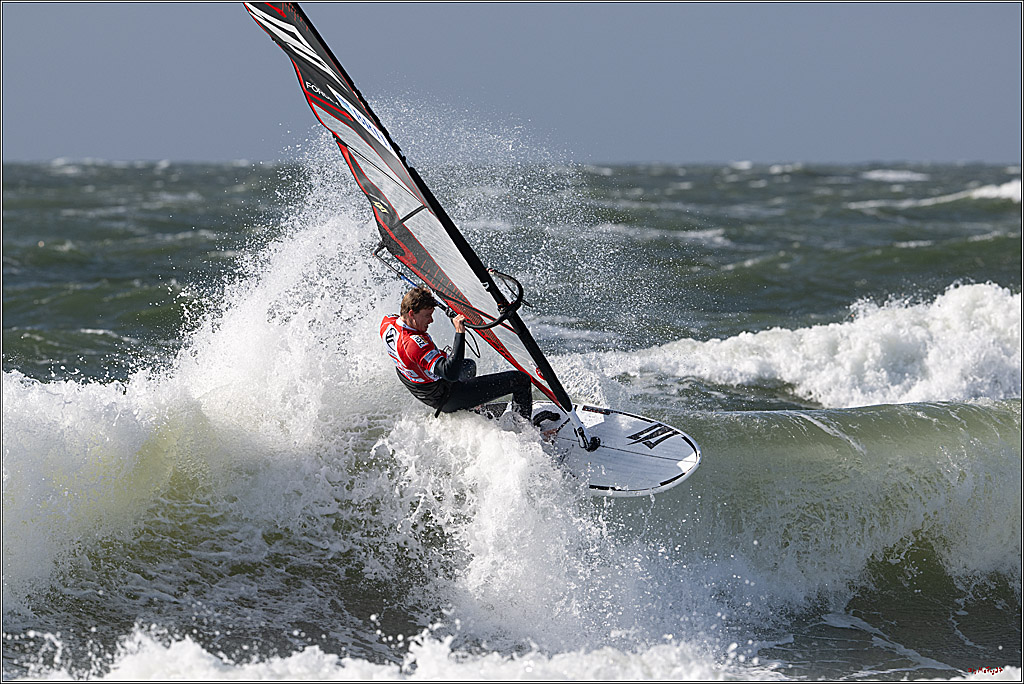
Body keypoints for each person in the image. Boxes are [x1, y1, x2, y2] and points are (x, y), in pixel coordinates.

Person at [381, 287, 548, 422]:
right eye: (427, 316)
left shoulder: (388, 322)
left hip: (424, 388)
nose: (431, 321)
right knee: (520, 380)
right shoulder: (413, 345)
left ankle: (472, 407)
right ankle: (524, 432)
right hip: (445, 396)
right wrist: (459, 332)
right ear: (411, 313)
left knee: (468, 365)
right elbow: (451, 373)